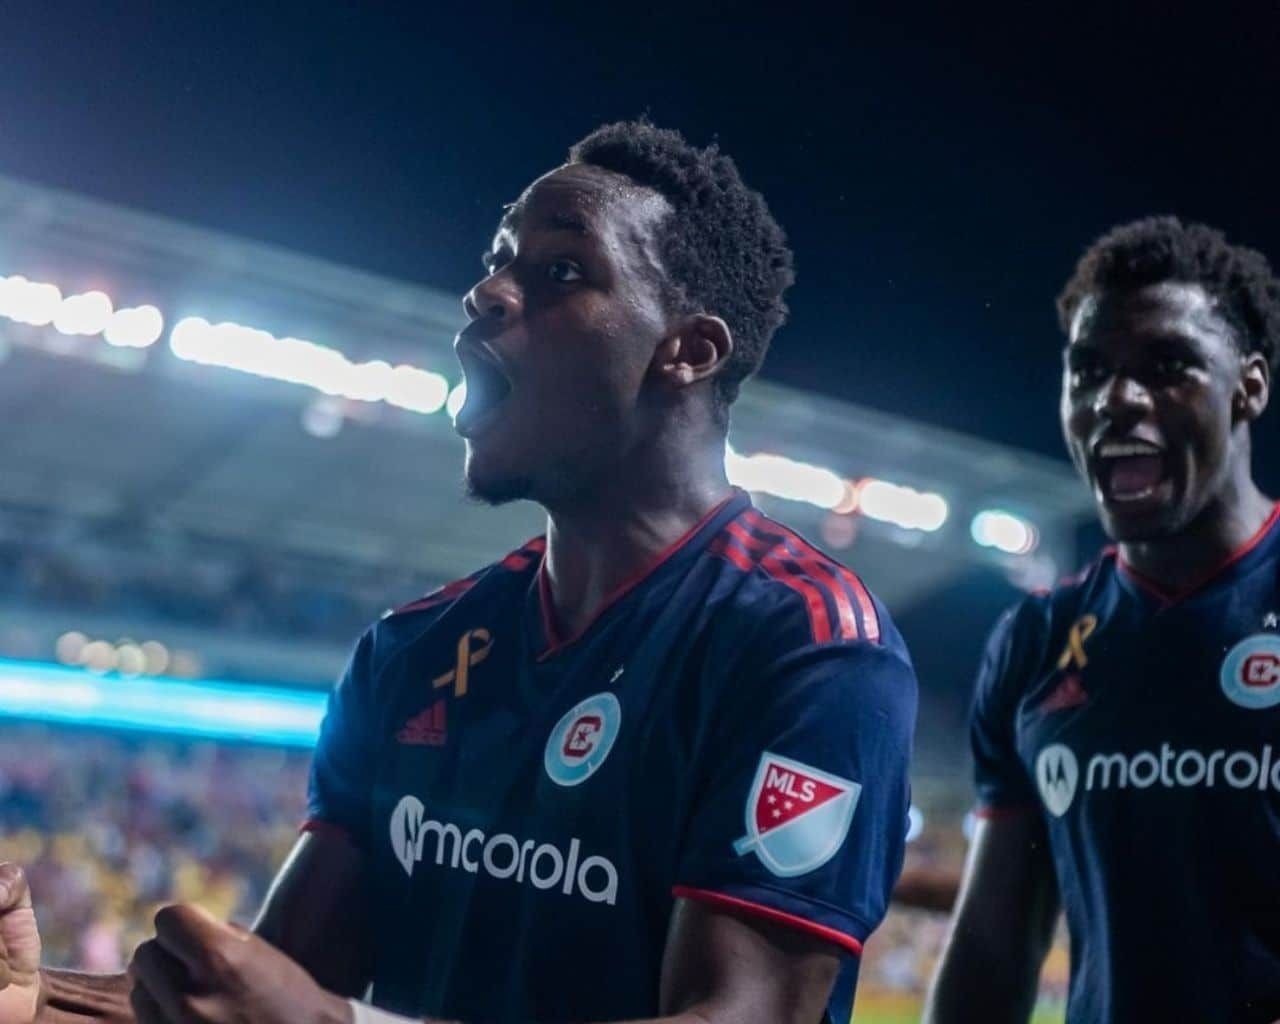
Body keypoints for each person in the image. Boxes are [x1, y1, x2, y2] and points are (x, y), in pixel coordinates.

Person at [0, 121, 917, 1024]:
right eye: (497, 261)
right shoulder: (411, 651)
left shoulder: (807, 646)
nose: (486, 292)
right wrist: (34, 1001)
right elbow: (252, 1000)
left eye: (562, 271)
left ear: (689, 350)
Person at [922, 216, 1280, 1023]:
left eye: (1168, 365)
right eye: (1088, 371)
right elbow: (992, 950)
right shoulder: (1038, 640)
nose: (1115, 399)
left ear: (1249, 387)